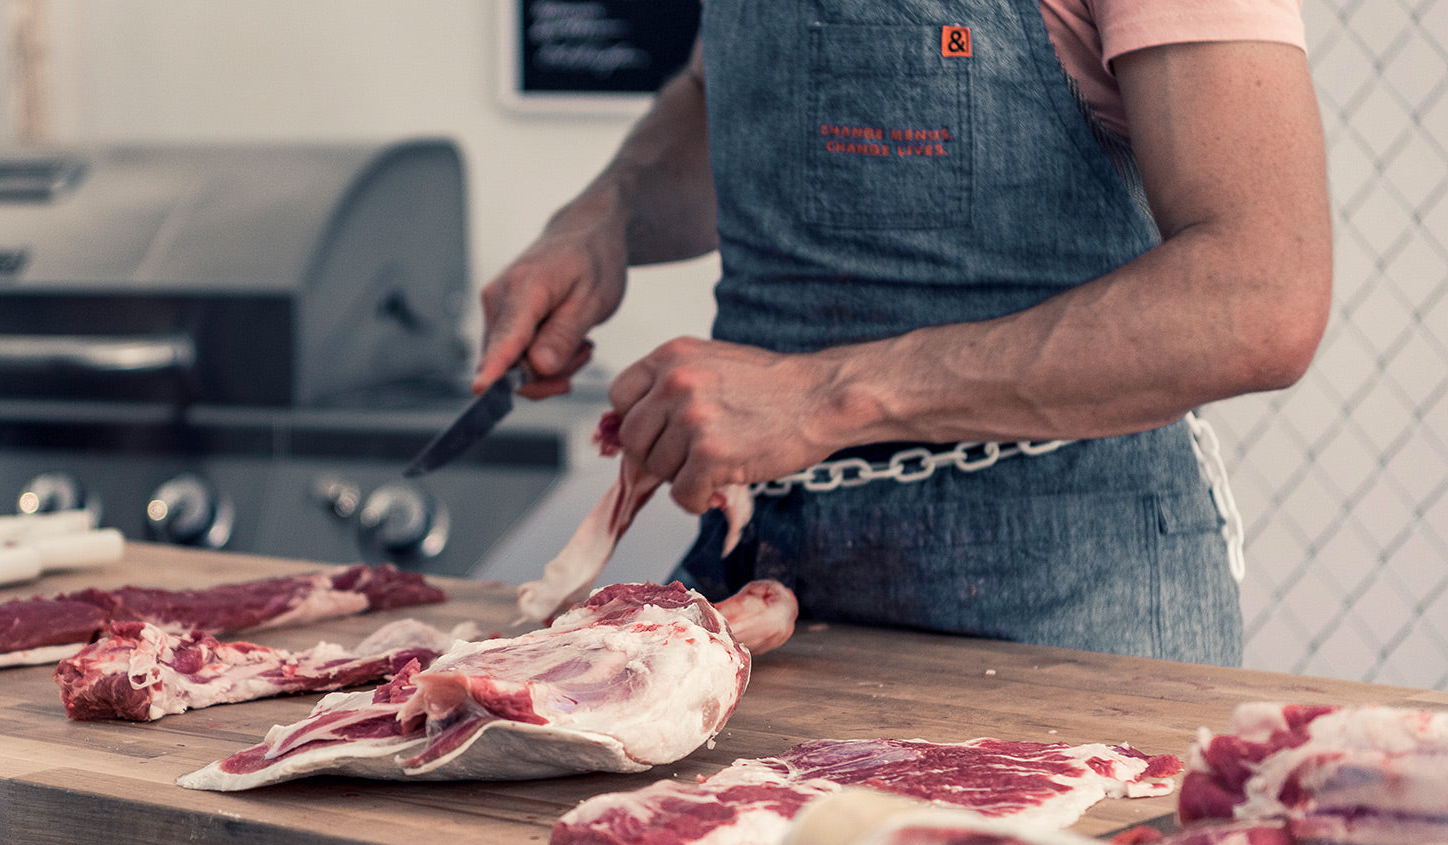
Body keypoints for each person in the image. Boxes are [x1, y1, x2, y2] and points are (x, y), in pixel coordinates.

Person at [475, 0, 1332, 666]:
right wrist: (605, 215)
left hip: (1062, 615)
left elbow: (1261, 295)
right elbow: (715, 92)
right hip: (753, 591)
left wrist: (818, 398)